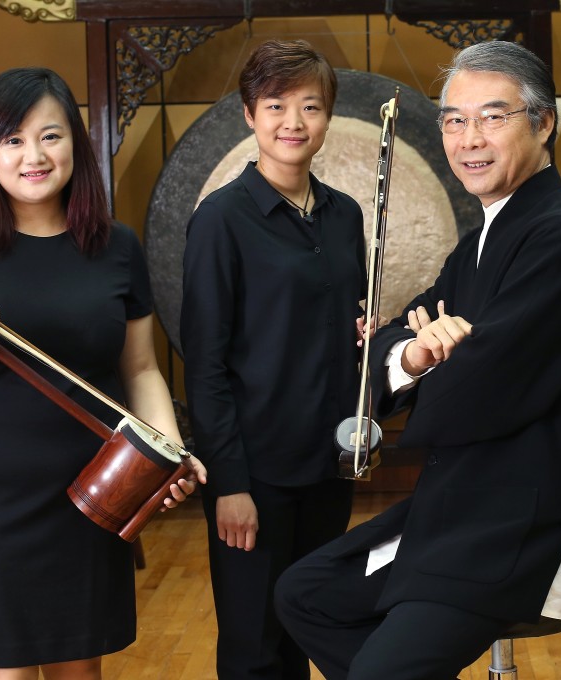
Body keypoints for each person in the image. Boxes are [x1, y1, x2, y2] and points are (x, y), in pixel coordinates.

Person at [272, 40, 561, 679]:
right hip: (457, 507)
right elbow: (387, 349)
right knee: (305, 594)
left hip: (518, 523)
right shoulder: (481, 241)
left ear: (544, 124)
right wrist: (413, 355)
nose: (469, 138)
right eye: (455, 121)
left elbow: (484, 390)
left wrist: (442, 362)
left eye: (493, 117)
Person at [0, 67, 204, 679]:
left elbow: (142, 367)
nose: (34, 156)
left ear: (76, 141)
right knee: (2, 670)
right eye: (12, 140)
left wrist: (165, 453)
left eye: (50, 136)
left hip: (96, 492)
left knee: (80, 671)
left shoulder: (116, 247)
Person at [180, 39, 367, 679]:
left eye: (310, 106)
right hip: (254, 472)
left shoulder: (344, 216)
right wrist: (229, 484)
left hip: (328, 464)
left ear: (328, 116)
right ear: (248, 114)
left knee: (305, 628)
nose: (294, 122)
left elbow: (348, 327)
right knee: (254, 645)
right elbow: (203, 364)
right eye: (276, 105)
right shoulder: (220, 220)